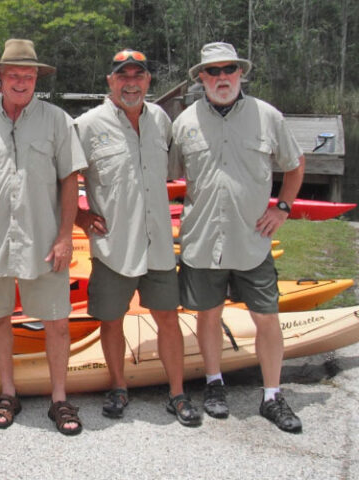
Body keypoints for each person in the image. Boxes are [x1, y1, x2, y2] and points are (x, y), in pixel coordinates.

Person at [0, 39, 87, 436]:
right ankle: (8, 392)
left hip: (44, 241)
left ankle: (59, 398)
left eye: (28, 75)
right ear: (0, 78)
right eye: (13, 75)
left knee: (56, 321)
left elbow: (69, 181)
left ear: (36, 78)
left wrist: (64, 237)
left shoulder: (58, 121)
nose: (21, 81)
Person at [170, 42, 306, 433]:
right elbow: (167, 173)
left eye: (229, 69)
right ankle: (214, 384)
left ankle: (272, 395)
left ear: (240, 73)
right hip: (201, 239)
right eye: (212, 71)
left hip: (253, 240)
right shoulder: (184, 122)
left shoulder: (268, 116)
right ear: (201, 78)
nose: (222, 77)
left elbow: (295, 166)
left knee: (267, 317)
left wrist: (282, 208)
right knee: (208, 316)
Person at [75, 49, 201, 427]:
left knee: (168, 318)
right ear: (110, 81)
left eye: (138, 75)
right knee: (111, 320)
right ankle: (117, 386)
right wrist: (80, 215)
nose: (131, 82)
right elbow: (61, 178)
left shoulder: (161, 119)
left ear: (148, 81)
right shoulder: (87, 125)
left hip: (159, 244)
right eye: (123, 75)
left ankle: (177, 393)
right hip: (114, 245)